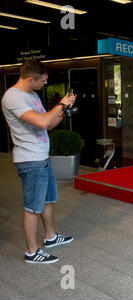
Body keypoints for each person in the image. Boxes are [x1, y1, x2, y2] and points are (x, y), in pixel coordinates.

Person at [1, 59, 77, 264]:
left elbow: (48, 125)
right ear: (29, 79)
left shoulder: (32, 95)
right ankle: (32, 251)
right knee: (33, 207)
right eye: (42, 80)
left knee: (48, 200)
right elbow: (43, 120)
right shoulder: (13, 97)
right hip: (30, 161)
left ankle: (50, 238)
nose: (45, 84)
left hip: (42, 157)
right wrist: (60, 104)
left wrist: (63, 109)